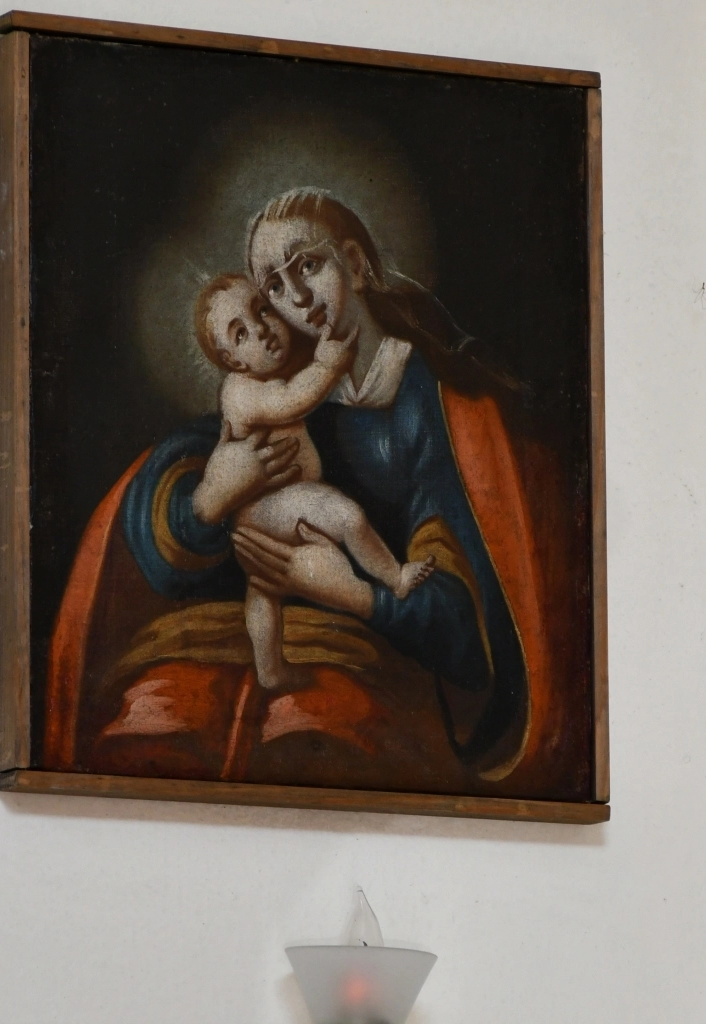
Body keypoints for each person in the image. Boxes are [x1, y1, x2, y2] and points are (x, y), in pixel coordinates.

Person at [48, 188, 551, 791]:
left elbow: (465, 634)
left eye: (308, 266)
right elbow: (159, 507)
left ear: (355, 264)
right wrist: (213, 496)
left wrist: (354, 596)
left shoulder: (428, 398)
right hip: (293, 638)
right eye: (275, 288)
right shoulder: (287, 379)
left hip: (375, 655)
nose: (298, 299)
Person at [194, 271, 435, 690]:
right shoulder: (241, 392)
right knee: (347, 517)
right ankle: (395, 578)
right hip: (269, 507)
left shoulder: (266, 372)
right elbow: (293, 401)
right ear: (234, 361)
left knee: (264, 591)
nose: (261, 329)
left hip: (276, 509)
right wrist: (328, 365)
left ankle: (270, 670)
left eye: (262, 310)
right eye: (241, 333)